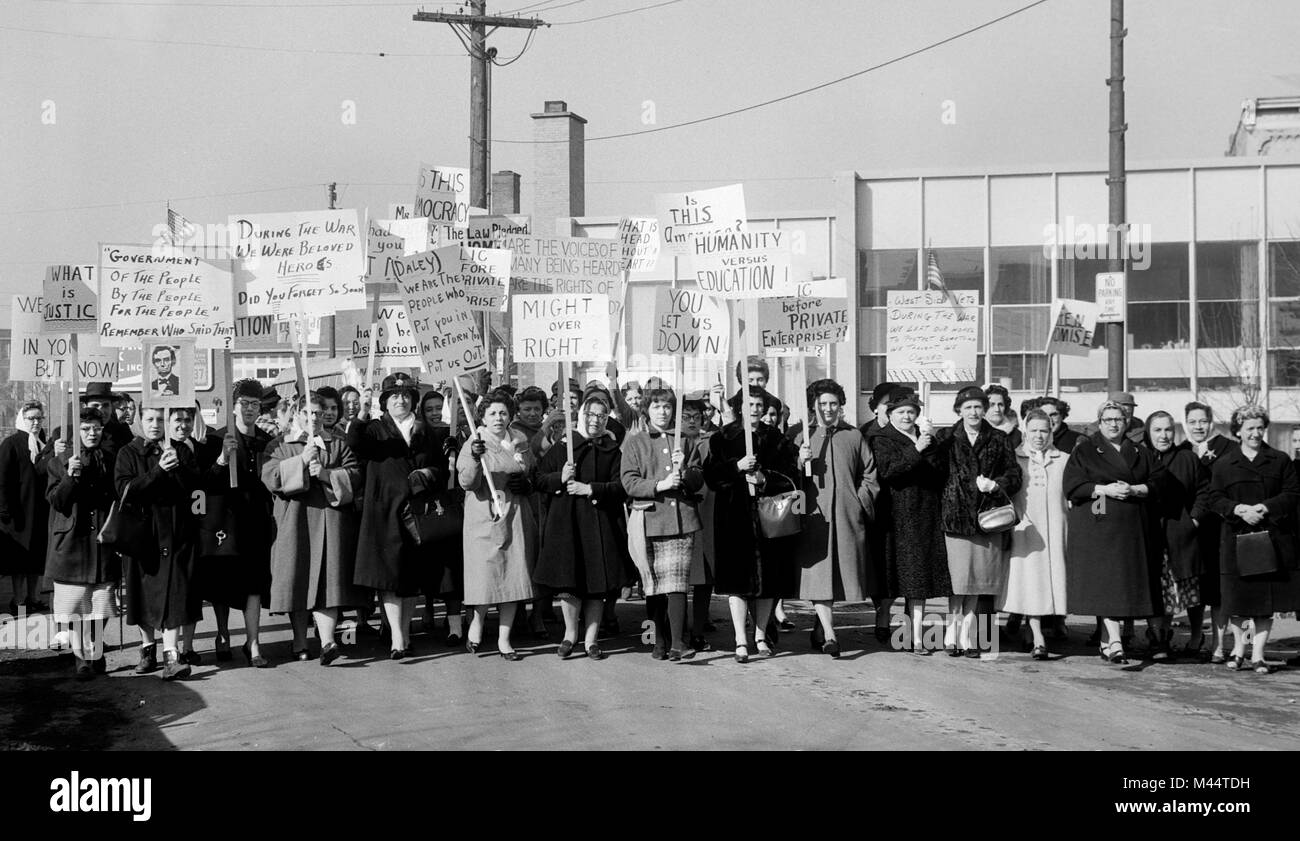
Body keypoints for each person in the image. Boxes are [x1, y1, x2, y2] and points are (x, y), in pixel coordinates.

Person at [265, 393, 365, 665]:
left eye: (319, 414)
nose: (314, 419)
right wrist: (300, 461)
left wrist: (324, 474)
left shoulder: (338, 444)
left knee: (328, 582)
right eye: (308, 413)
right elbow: (270, 477)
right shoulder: (279, 445)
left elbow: (355, 475)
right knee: (298, 579)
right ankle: (299, 640)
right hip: (294, 522)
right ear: (297, 414)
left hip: (330, 521)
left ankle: (328, 640)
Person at [702, 386, 800, 663]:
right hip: (734, 518)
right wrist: (737, 466)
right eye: (750, 404)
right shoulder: (722, 437)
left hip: (769, 519)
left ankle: (760, 634)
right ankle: (740, 639)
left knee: (767, 582)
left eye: (759, 405)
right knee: (737, 581)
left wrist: (764, 478)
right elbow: (711, 476)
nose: (755, 410)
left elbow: (790, 475)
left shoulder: (775, 439)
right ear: (740, 407)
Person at [1064, 401, 1161, 665]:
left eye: (1118, 419)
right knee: (1106, 586)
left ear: (1126, 422)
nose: (1113, 424)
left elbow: (1157, 482)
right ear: (1100, 422)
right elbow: (1073, 486)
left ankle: (1109, 642)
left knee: (1122, 586)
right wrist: (1103, 489)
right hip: (1098, 525)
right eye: (1107, 420)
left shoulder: (1140, 452)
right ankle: (1115, 640)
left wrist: (1135, 489)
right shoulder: (1084, 450)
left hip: (1131, 528)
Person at [534, 392, 630, 661]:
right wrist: (559, 478)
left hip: (599, 523)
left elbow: (621, 487)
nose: (595, 420)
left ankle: (591, 639)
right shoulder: (565, 445)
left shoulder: (611, 450)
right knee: (569, 583)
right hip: (566, 523)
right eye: (590, 414)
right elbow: (538, 479)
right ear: (581, 415)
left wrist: (591, 489)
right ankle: (569, 633)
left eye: (601, 416)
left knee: (596, 586)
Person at [1208, 406, 1300, 675]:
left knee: (1264, 603)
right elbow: (1214, 497)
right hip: (1235, 540)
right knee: (1238, 602)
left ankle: (1257, 655)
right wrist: (1238, 510)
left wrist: (1265, 507)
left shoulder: (1280, 460)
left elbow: (1293, 493)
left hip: (1269, 542)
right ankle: (1238, 649)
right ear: (1238, 431)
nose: (1256, 433)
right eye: (1250, 428)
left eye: (1260, 428)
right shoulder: (1224, 463)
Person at [934, 385, 1022, 657]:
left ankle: (968, 635)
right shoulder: (946, 437)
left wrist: (997, 484)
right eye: (968, 407)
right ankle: (952, 632)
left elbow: (1015, 474)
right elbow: (934, 472)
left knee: (977, 582)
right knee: (958, 581)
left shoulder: (998, 438)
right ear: (958, 410)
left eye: (978, 406)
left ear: (985, 409)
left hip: (987, 518)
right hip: (956, 517)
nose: (973, 412)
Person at [795, 379, 880, 658]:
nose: (828, 408)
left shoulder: (853, 436)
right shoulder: (802, 436)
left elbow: (869, 473)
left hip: (845, 515)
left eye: (833, 403)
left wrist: (858, 501)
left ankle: (821, 629)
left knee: (840, 576)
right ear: (813, 405)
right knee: (819, 576)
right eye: (822, 403)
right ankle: (831, 635)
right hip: (813, 517)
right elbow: (786, 478)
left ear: (840, 405)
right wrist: (799, 460)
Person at [116, 406, 203, 680]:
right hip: (143, 533)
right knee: (143, 593)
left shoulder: (181, 450)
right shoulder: (128, 453)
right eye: (150, 419)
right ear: (140, 421)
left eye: (161, 419)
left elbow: (194, 487)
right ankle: (147, 648)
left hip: (176, 533)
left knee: (174, 594)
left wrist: (175, 467)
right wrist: (158, 471)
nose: (155, 425)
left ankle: (171, 656)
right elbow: (126, 491)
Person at [621, 387, 705, 660]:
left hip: (681, 520)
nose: (663, 412)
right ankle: (658, 641)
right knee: (654, 584)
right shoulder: (636, 442)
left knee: (677, 583)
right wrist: (661, 484)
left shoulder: (686, 441)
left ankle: (678, 642)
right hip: (650, 519)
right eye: (657, 406)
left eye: (668, 407)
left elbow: (698, 481)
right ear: (647, 410)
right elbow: (629, 481)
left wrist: (686, 471)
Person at [349, 373, 429, 659]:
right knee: (389, 576)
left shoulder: (424, 429)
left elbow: (436, 466)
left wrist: (425, 476)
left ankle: (404, 632)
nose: (401, 400)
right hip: (384, 510)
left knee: (410, 577)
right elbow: (355, 443)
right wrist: (360, 413)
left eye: (406, 395)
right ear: (384, 402)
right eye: (394, 395)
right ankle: (395, 634)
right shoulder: (374, 429)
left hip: (415, 511)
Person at [457, 389, 537, 660]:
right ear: (483, 416)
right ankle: (477, 623)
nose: (498, 418)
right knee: (485, 576)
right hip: (484, 516)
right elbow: (466, 482)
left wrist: (526, 483)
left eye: (503, 413)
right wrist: (476, 460)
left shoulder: (520, 441)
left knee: (512, 576)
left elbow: (532, 472)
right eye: (492, 413)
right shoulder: (475, 441)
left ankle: (504, 639)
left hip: (514, 514)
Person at [200, 379, 274, 667]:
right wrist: (222, 458)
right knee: (223, 582)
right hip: (225, 522)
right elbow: (206, 484)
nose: (250, 409)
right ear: (234, 406)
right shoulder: (217, 440)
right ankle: (222, 634)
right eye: (244, 403)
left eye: (255, 404)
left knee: (254, 584)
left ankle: (253, 643)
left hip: (256, 521)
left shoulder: (266, 442)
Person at [869, 390, 949, 653]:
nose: (906, 416)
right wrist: (917, 449)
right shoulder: (881, 439)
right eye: (901, 412)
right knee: (892, 579)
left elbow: (940, 473)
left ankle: (913, 636)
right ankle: (883, 617)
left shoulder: (926, 438)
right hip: (894, 518)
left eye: (911, 412)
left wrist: (931, 444)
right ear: (890, 415)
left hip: (925, 516)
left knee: (918, 582)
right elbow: (889, 470)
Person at [44, 407, 119, 679]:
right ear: (76, 432)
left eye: (96, 428)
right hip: (72, 543)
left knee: (102, 601)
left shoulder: (110, 459)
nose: (92, 433)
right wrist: (69, 476)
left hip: (102, 540)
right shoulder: (60, 460)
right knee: (74, 605)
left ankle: (96, 648)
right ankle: (80, 658)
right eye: (86, 429)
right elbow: (57, 501)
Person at [998, 409, 1067, 659]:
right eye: (1034, 430)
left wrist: (1099, 512)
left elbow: (1083, 495)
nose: (1039, 435)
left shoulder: (1064, 459)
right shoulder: (1015, 458)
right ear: (1026, 430)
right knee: (1029, 583)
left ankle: (1034, 631)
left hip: (1056, 533)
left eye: (1044, 430)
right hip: (1024, 531)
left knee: (1048, 583)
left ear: (1051, 431)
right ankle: (1037, 636)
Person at [1144, 411, 1208, 660]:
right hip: (1149, 534)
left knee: (1182, 588)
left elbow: (1205, 491)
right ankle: (1157, 637)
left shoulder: (1187, 458)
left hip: (1180, 534)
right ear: (1149, 433)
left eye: (1168, 429)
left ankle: (1184, 636)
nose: (1163, 435)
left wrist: (1193, 519)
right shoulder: (1141, 457)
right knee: (1156, 587)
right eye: (1157, 430)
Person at [1181, 401, 1235, 661]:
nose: (1198, 426)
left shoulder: (1228, 448)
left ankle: (1218, 643)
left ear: (1211, 422)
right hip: (1191, 530)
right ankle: (1194, 635)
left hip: (1218, 528)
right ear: (1186, 424)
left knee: (1216, 588)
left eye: (1202, 421)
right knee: (1194, 587)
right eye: (1192, 422)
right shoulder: (1182, 450)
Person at [416, 388, 467, 645]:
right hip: (429, 508)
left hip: (457, 505)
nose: (436, 414)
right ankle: (427, 608)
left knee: (454, 566)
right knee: (430, 564)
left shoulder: (462, 434)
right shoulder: (418, 435)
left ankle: (454, 622)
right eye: (430, 409)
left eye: (440, 408)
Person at [0, 400, 51, 614]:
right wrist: (4, 509)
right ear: (23, 419)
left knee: (36, 558)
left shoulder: (44, 443)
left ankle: (34, 598)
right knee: (19, 561)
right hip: (18, 512)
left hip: (39, 510)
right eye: (32, 418)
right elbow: (1, 479)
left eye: (39, 418)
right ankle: (19, 601)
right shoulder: (11, 444)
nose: (36, 422)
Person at [984, 384, 1021, 450]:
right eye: (992, 405)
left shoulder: (1016, 435)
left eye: (1000, 405)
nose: (997, 409)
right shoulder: (974, 432)